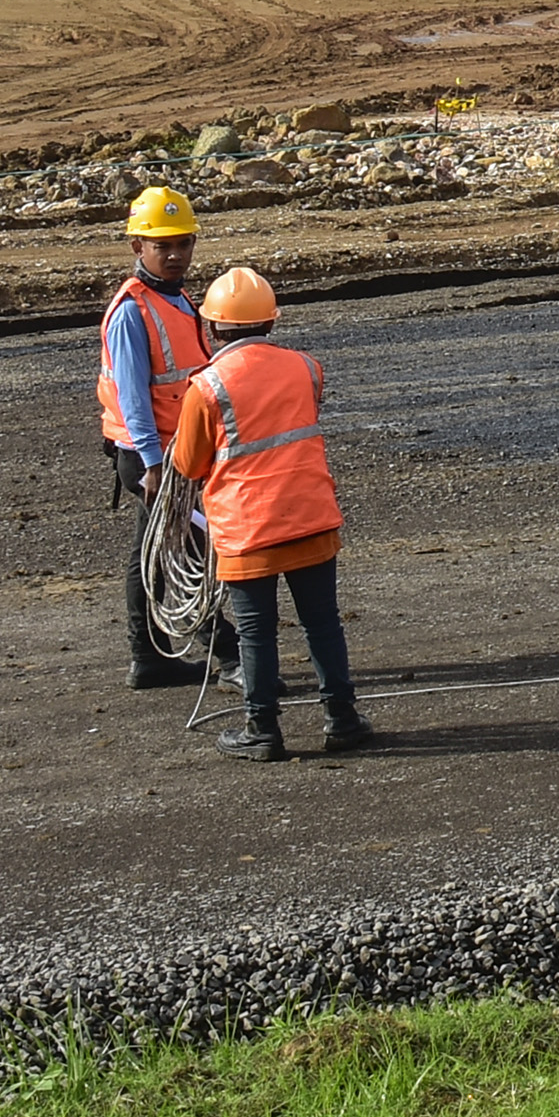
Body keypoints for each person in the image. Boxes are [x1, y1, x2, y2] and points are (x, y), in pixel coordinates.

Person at [166, 266, 371, 761]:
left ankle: (262, 729)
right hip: (310, 516)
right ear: (272, 322)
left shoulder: (207, 387)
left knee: (256, 630)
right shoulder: (306, 367)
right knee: (322, 622)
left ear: (212, 328)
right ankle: (340, 717)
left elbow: (189, 463)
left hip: (246, 530)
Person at [99, 187, 237, 691]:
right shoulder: (133, 311)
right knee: (190, 549)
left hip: (174, 451)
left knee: (155, 550)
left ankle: (149, 658)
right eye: (164, 246)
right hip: (150, 456)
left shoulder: (176, 299)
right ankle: (230, 652)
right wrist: (156, 466)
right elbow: (135, 397)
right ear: (139, 246)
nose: (176, 254)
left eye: (183, 243)